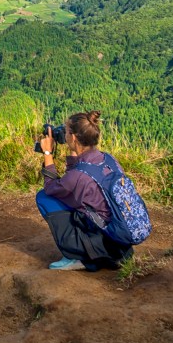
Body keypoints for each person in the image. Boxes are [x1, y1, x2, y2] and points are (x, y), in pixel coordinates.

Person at [35, 110, 134, 271]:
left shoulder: (78, 176)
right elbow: (79, 176)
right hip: (121, 242)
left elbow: (51, 187)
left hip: (103, 244)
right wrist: (74, 151)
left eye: (66, 132)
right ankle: (104, 253)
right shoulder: (108, 158)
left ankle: (77, 256)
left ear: (73, 137)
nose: (64, 135)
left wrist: (47, 153)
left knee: (44, 197)